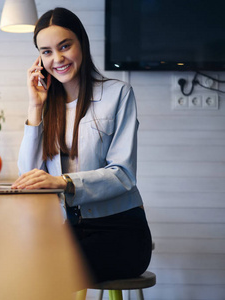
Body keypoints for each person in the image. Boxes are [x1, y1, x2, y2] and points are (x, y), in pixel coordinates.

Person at [11, 7, 152, 283]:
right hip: (71, 229)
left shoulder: (118, 94)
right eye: (46, 51)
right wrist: (34, 105)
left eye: (65, 46)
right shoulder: (47, 105)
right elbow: (28, 175)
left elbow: (123, 174)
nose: (57, 58)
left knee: (40, 271)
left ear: (82, 45)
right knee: (15, 259)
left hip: (120, 231)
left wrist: (63, 182)